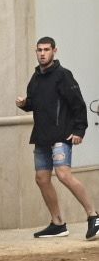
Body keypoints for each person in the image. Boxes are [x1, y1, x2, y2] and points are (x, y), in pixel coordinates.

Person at [16, 37, 97, 239]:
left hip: (61, 135)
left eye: (46, 49)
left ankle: (94, 216)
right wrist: (25, 104)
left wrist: (79, 131)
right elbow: (34, 103)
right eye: (39, 50)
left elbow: (78, 104)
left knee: (63, 175)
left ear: (54, 51)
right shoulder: (35, 77)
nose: (42, 53)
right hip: (41, 136)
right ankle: (58, 223)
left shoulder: (63, 75)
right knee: (41, 179)